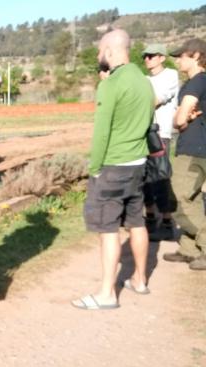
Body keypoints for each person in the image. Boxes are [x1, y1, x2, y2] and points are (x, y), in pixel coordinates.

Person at [72, 29, 154, 310]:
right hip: (138, 164)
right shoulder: (144, 81)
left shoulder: (110, 85)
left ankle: (107, 294)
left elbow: (101, 133)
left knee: (108, 229)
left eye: (99, 51)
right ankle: (140, 280)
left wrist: (94, 168)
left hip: (112, 166)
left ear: (109, 51)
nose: (98, 56)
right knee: (136, 222)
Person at [164, 38, 206, 270]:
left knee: (179, 200)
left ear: (197, 56)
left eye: (182, 56)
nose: (178, 59)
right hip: (200, 149)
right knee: (193, 199)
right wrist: (183, 117)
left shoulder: (195, 83)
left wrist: (182, 119)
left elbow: (179, 119)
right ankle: (189, 250)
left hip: (192, 150)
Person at [142, 44, 179, 240]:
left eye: (151, 56)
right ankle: (150, 217)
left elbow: (155, 100)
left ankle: (167, 221)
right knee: (145, 177)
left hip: (161, 133)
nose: (147, 59)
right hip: (143, 133)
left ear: (161, 57)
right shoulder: (145, 79)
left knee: (161, 177)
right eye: (145, 57)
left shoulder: (170, 75)